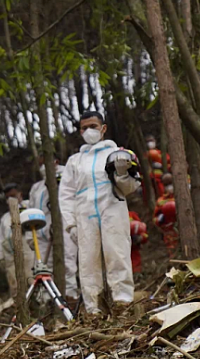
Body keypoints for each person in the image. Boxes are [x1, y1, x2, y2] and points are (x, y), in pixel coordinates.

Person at [58, 111, 141, 317]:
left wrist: (122, 173)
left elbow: (131, 186)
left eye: (93, 126)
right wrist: (71, 224)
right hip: (84, 213)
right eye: (84, 128)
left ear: (103, 128)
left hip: (112, 206)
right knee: (87, 261)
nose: (88, 131)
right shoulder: (75, 161)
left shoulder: (118, 153)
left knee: (117, 252)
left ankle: (123, 300)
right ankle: (93, 308)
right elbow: (66, 195)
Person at [28, 161, 78, 300]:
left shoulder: (65, 174)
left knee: (67, 262)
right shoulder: (36, 188)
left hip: (62, 227)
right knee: (43, 267)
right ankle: (47, 301)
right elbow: (30, 209)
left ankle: (70, 297)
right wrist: (30, 235)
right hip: (41, 232)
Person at [0, 184, 35, 295]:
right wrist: (0, 257)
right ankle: (19, 307)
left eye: (13, 195)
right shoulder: (5, 218)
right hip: (10, 253)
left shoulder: (29, 206)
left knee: (30, 277)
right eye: (8, 197)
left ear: (20, 194)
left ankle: (37, 306)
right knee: (15, 283)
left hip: (27, 249)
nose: (10, 199)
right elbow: (1, 239)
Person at [154, 174, 178, 252]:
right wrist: (160, 219)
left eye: (170, 184)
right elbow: (155, 218)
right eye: (167, 185)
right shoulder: (161, 201)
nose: (169, 187)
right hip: (169, 231)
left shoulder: (182, 195)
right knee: (173, 251)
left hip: (184, 227)